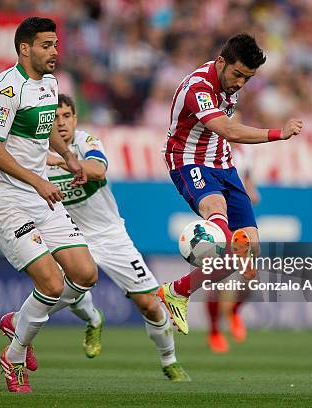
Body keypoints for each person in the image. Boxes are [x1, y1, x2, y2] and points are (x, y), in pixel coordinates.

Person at [0, 16, 99, 393]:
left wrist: (68, 155)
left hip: (38, 195)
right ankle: (14, 357)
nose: (54, 52)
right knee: (50, 280)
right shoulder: (6, 90)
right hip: (8, 200)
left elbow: (45, 128)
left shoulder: (50, 83)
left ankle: (19, 319)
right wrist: (37, 180)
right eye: (46, 45)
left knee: (85, 274)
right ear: (25, 48)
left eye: (56, 44)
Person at [158, 33, 303, 335]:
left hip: (224, 164)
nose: (240, 83)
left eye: (247, 79)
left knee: (249, 253)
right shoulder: (198, 87)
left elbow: (225, 134)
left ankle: (177, 291)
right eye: (237, 74)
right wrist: (279, 133)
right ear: (221, 62)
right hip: (189, 161)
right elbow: (227, 129)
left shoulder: (230, 86)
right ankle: (196, 306)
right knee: (222, 227)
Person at [44, 93, 190, 381]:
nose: (61, 123)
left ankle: (169, 360)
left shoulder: (86, 142)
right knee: (63, 288)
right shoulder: (36, 152)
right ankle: (94, 319)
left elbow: (98, 169)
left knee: (149, 303)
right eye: (55, 118)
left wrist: (62, 163)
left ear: (75, 119)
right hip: (69, 235)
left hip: (110, 235)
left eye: (67, 116)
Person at [207, 144, 259, 352]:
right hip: (219, 218)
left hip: (239, 218)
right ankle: (215, 330)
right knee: (221, 281)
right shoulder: (208, 150)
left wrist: (251, 193)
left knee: (250, 277)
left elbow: (249, 183)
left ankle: (234, 311)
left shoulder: (245, 153)